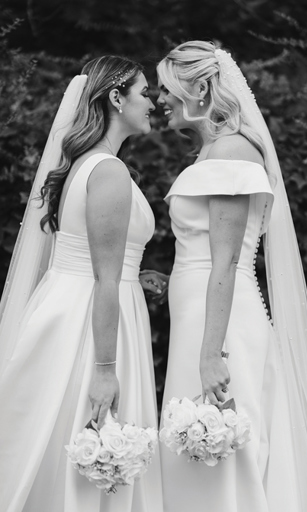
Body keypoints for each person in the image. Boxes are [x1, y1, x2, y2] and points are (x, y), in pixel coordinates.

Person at [155, 40, 307, 511]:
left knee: (224, 438)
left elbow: (225, 261)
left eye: (164, 88)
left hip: (218, 324)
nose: (159, 100)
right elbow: (205, 252)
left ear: (199, 86)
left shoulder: (233, 150)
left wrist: (210, 352)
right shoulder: (212, 151)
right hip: (202, 312)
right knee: (199, 441)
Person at [0, 56, 164, 512]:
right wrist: (106, 370)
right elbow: (104, 276)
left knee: (50, 439)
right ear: (116, 98)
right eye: (144, 92)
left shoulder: (86, 164)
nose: (152, 102)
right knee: (84, 433)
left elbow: (96, 258)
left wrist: (138, 275)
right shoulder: (109, 171)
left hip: (74, 303)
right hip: (92, 322)